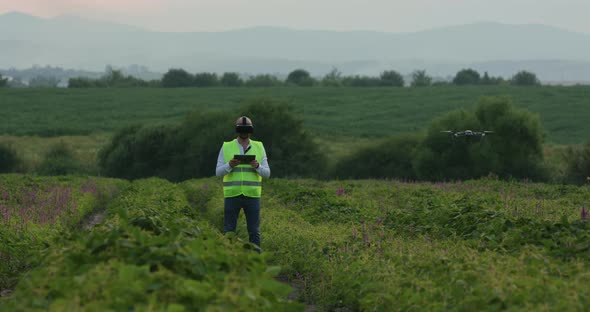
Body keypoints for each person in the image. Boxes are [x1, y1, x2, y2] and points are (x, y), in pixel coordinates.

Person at [216, 116, 270, 253]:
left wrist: (257, 166)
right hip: (232, 194)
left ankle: (256, 263)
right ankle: (229, 260)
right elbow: (218, 172)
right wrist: (229, 165)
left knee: (254, 232)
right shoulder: (226, 146)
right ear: (237, 130)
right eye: (241, 129)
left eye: (246, 129)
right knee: (229, 231)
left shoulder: (259, 146)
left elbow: (267, 173)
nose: (244, 132)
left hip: (252, 196)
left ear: (250, 130)